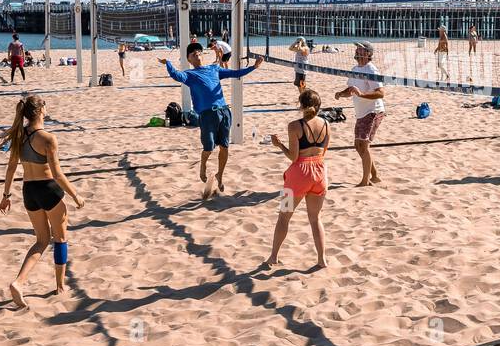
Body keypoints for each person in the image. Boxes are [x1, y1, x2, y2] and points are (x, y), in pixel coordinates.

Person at [0, 95, 85, 309]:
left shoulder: (19, 135)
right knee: (61, 238)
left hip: (29, 191)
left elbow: (11, 168)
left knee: (41, 240)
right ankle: (60, 286)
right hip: (48, 190)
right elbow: (57, 174)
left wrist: (6, 196)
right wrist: (75, 195)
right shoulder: (48, 138)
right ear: (41, 110)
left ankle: (18, 282)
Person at [159, 42, 264, 198]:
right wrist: (167, 63)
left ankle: (220, 175)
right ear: (189, 59)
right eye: (193, 53)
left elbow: (235, 74)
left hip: (224, 112)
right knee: (208, 148)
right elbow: (175, 75)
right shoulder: (189, 74)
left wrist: (253, 67)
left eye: (198, 52)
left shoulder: (214, 69)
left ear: (202, 55)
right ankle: (202, 167)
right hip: (207, 115)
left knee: (225, 147)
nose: (196, 54)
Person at [262, 88, 330, 270]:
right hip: (320, 172)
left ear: (301, 105)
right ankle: (322, 259)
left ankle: (273, 256)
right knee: (316, 218)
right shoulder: (326, 124)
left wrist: (279, 145)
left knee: (284, 217)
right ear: (318, 105)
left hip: (299, 174)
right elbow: (323, 151)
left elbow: (293, 157)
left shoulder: (294, 126)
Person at [335, 41, 385, 186]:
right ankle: (374, 175)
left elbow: (381, 93)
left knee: (363, 145)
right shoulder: (355, 68)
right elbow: (351, 89)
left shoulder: (372, 70)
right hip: (362, 112)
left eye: (360, 49)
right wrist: (341, 94)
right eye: (356, 48)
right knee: (358, 145)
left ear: (368, 53)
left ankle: (365, 181)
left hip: (373, 111)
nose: (356, 50)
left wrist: (362, 94)